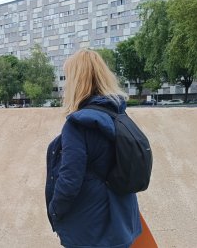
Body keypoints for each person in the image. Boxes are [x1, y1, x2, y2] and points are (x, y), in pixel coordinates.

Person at [45, 49, 142, 247]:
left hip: (91, 228)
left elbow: (70, 179)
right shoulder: (118, 115)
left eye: (68, 78)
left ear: (76, 82)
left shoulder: (78, 125)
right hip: (122, 218)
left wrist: (55, 210)